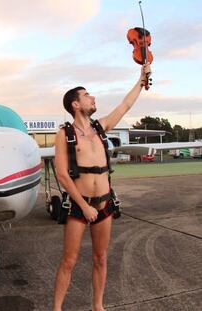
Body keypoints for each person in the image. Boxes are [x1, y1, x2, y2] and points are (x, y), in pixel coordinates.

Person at [53, 63, 151, 311]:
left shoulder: (101, 127)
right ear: (75, 104)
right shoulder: (64, 133)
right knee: (69, 260)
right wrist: (84, 206)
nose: (92, 97)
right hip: (79, 205)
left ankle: (98, 306)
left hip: (104, 203)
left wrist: (141, 79)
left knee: (101, 257)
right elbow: (63, 175)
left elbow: (125, 105)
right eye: (87, 95)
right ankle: (56, 309)